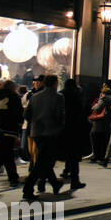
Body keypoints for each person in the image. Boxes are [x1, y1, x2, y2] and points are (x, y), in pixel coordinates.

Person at [23, 73, 66, 201]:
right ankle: (28, 188)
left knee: (44, 159)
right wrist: (60, 127)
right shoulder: (58, 97)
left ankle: (54, 183)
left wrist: (35, 123)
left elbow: (27, 115)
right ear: (55, 83)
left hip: (36, 131)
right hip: (51, 132)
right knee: (42, 161)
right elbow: (59, 115)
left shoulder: (35, 97)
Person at [59, 77, 87, 189]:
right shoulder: (77, 95)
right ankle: (74, 180)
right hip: (74, 129)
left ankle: (42, 182)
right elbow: (81, 112)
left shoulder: (61, 95)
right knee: (73, 156)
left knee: (50, 156)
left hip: (61, 128)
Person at [87, 83, 111, 164]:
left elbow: (97, 108)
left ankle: (96, 155)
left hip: (99, 123)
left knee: (95, 139)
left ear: (103, 93)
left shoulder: (103, 99)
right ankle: (102, 156)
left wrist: (94, 106)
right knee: (104, 141)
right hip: (107, 123)